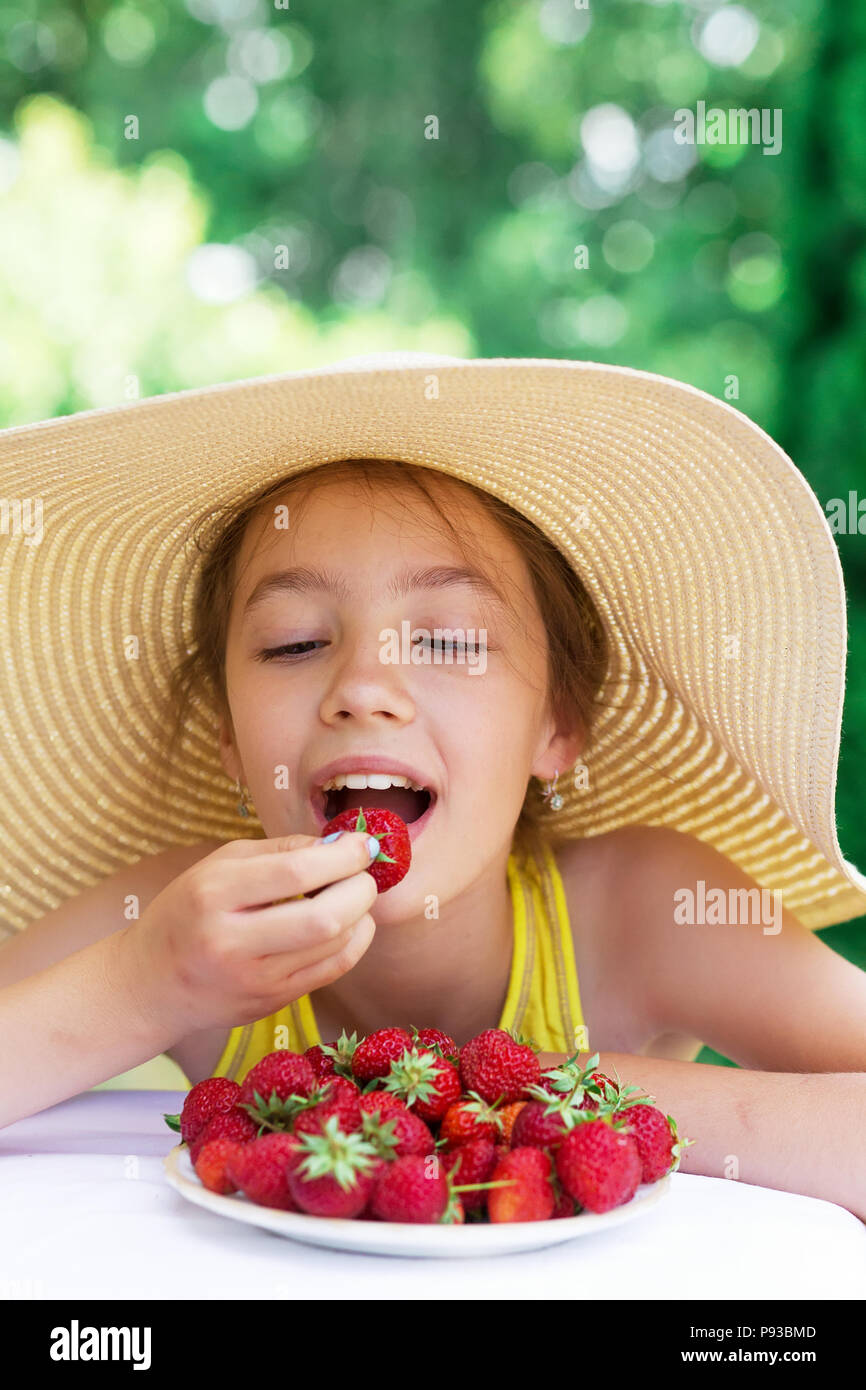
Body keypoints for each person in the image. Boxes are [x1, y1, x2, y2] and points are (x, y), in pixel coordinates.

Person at [0, 351, 865, 1219]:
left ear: (557, 723)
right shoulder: (177, 927)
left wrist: (579, 1101)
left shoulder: (645, 910)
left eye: (449, 640)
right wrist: (143, 985)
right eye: (295, 643)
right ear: (228, 736)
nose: (364, 689)